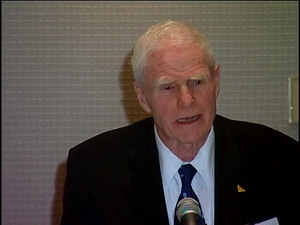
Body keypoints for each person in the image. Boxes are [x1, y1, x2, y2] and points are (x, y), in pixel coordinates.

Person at [61, 21, 298, 225]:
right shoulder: (94, 170)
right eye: (168, 87)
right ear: (142, 96)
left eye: (197, 81)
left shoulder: (280, 157)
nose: (186, 100)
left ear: (216, 82)